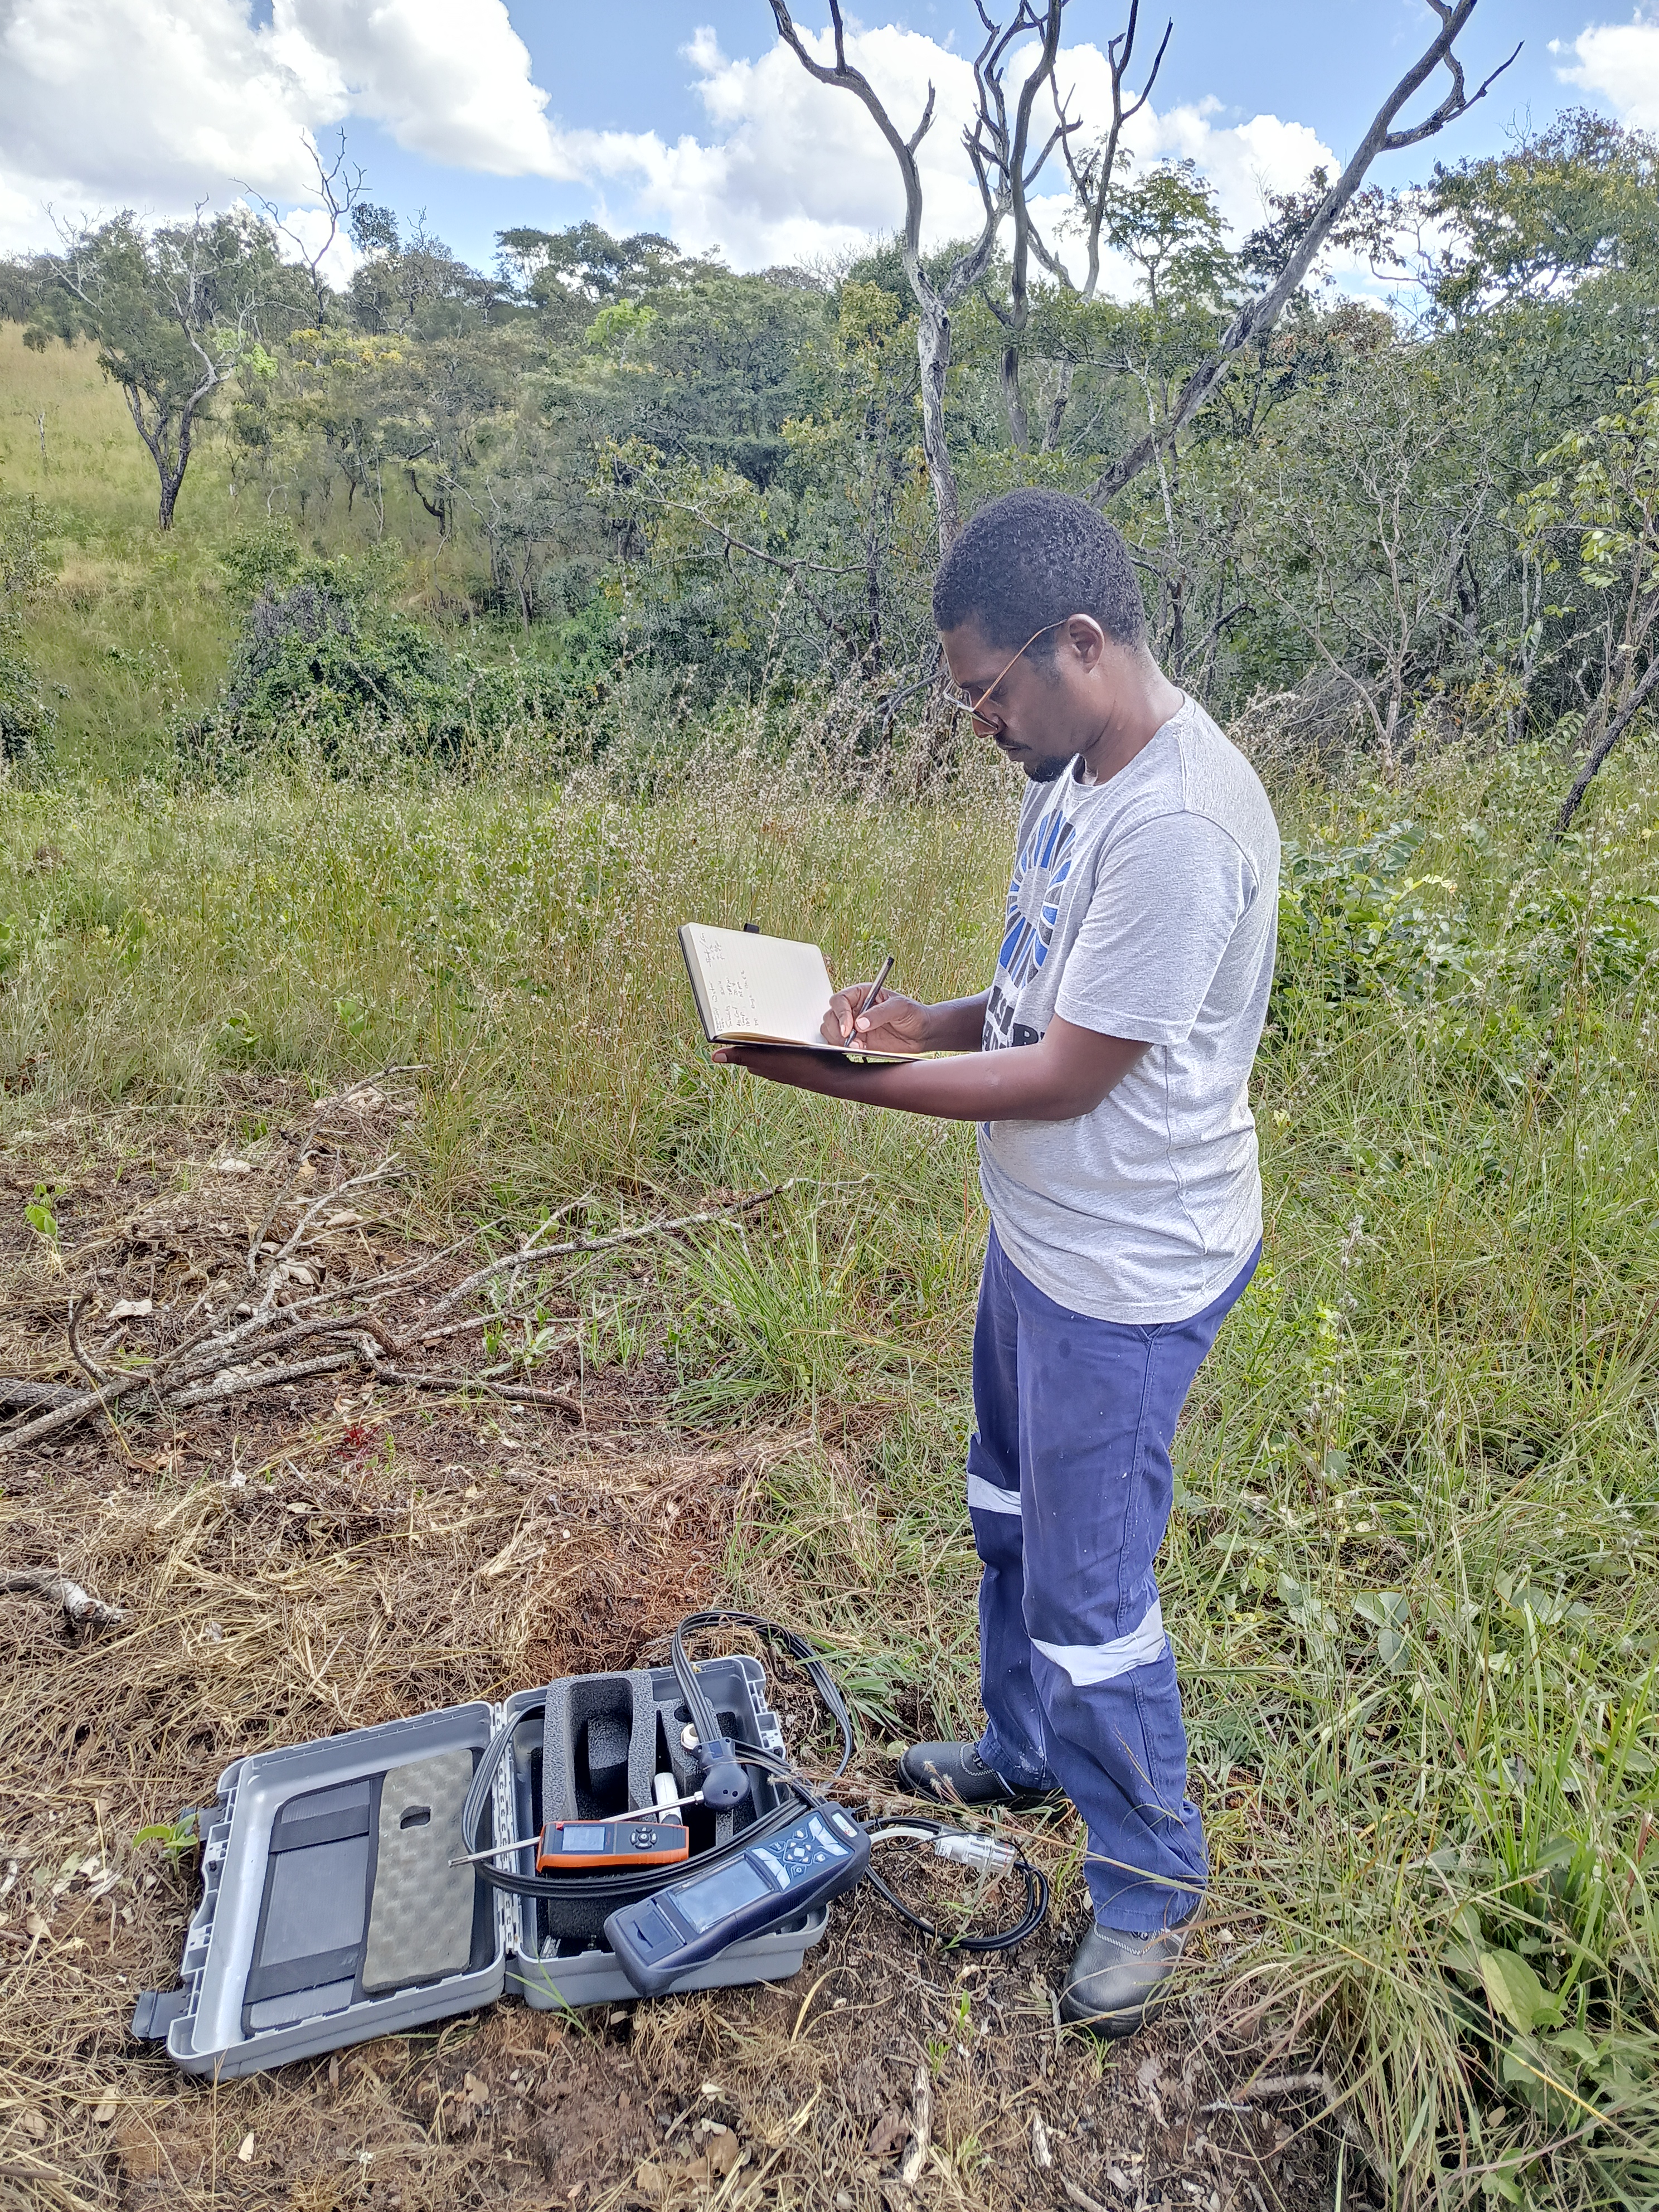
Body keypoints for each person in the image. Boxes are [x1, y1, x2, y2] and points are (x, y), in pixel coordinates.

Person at [712, 488, 1279, 2037]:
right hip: (1044, 1236)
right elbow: (1032, 1007)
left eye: (988, 690)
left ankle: (1151, 1885)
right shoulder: (1078, 768)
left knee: (1096, 1597)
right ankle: (1024, 1747)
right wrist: (920, 1024)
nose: (978, 721)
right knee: (1008, 1516)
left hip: (1127, 1271)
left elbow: (1066, 1077)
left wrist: (836, 1082)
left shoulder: (1175, 823)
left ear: (1080, 645)